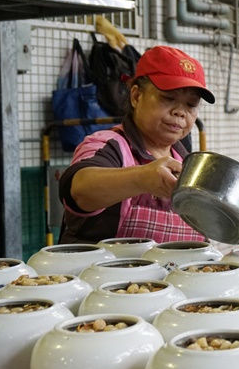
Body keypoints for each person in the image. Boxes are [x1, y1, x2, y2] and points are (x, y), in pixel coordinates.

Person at [58, 45, 215, 244]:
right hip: (104, 274)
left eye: (191, 105)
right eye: (168, 98)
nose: (180, 112)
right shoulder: (110, 145)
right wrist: (142, 178)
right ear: (136, 96)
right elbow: (79, 190)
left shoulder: (187, 163)